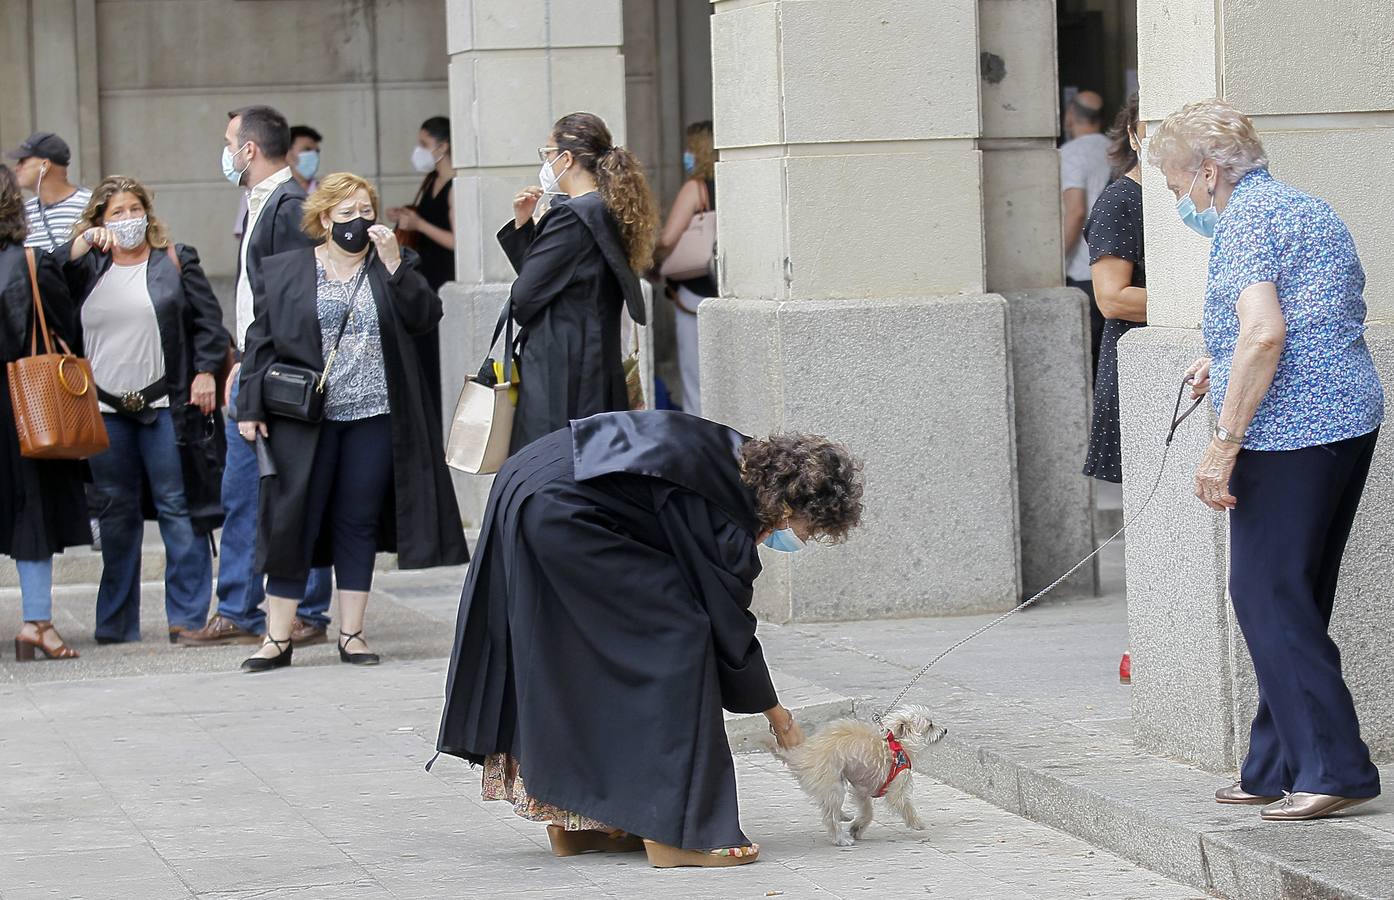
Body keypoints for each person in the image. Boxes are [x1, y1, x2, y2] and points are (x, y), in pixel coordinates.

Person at [437, 410, 863, 865]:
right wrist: (777, 715)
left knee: (584, 655)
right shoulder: (728, 513)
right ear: (787, 509)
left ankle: (585, 822)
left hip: (535, 476)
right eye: (809, 530)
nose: (803, 539)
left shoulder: (744, 462)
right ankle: (680, 836)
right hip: (561, 503)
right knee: (679, 642)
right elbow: (727, 626)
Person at [1151, 99, 1384, 822]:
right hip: (1346, 418)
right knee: (1293, 594)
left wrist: (1222, 442)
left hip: (1292, 432)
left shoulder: (1247, 220)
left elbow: (1265, 333)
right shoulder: (1303, 206)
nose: (1175, 197)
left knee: (1266, 593)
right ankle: (1275, 763)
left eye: (1174, 182)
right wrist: (1216, 357)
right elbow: (1312, 311)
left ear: (1210, 173)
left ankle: (1334, 767)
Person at [235, 173, 468, 673]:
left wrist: (394, 264)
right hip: (303, 417)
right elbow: (261, 341)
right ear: (323, 220)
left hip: (374, 416)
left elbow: (427, 315)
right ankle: (277, 638)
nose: (357, 223)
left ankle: (353, 633)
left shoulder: (395, 266)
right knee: (291, 518)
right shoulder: (286, 271)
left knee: (356, 521)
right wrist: (249, 407)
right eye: (346, 214)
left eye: (365, 212)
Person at [182, 106, 333, 647]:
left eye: (229, 141)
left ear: (249, 150)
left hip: (277, 370)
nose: (224, 151)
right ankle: (241, 607)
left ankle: (307, 610)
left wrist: (253, 365)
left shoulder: (289, 204)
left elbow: (291, 302)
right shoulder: (261, 202)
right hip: (254, 363)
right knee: (244, 489)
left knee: (292, 488)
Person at [61, 176, 230, 644]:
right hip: (105, 408)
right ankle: (115, 623)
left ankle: (188, 617)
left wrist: (205, 371)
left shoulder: (175, 260)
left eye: (135, 209)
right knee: (116, 516)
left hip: (164, 407)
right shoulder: (87, 268)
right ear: (99, 220)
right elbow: (46, 279)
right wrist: (78, 245)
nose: (128, 219)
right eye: (116, 212)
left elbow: (208, 325)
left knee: (179, 510)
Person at [501, 112, 656, 452]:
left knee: (550, 469)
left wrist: (533, 228)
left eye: (548, 153)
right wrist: (526, 226)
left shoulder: (570, 217)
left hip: (560, 367)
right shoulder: (606, 209)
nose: (546, 162)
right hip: (595, 361)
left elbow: (525, 296)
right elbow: (554, 277)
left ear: (566, 158)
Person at [0, 165, 90, 660]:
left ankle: (38, 624)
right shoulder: (32, 260)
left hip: (18, 399)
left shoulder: (33, 260)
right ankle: (37, 623)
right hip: (26, 399)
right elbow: (64, 328)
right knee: (30, 513)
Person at [1082, 94, 1147, 686]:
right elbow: (1112, 297)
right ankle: (1145, 642)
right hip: (1136, 369)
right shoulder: (1124, 199)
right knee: (1153, 519)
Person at [386, 116, 455, 427]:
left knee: (436, 355)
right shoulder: (431, 180)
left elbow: (458, 241)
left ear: (443, 146)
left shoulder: (454, 185)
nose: (419, 152)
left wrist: (420, 225)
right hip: (424, 277)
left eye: (424, 145)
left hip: (444, 275)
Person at [656, 121, 716, 416]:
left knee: (695, 376)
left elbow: (668, 238)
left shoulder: (697, 188)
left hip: (693, 291)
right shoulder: (734, 185)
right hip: (723, 287)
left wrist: (653, 259)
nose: (686, 154)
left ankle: (699, 431)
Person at [1060, 90, 1112, 373]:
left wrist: (1056, 263)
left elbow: (1076, 210)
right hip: (1113, 270)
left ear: (1070, 116)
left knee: (1086, 366)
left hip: (1081, 272)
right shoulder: (1113, 148)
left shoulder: (1070, 154)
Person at [234, 125, 323, 244]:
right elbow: (247, 240)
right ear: (287, 153)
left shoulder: (326, 193)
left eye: (316, 151)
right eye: (306, 150)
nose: (314, 156)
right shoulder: (258, 192)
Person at [6, 132, 91, 252]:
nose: (16, 168)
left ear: (44, 165)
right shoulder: (22, 213)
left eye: (23, 161)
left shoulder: (90, 204)